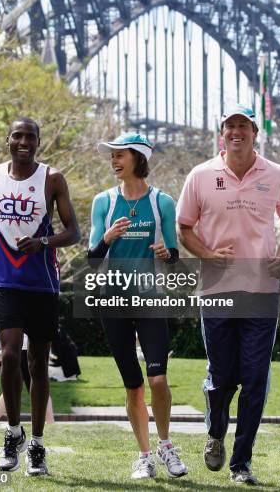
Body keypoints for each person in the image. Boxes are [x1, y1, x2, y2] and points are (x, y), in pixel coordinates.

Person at [177, 104, 280, 485]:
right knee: (222, 376)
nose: (236, 132)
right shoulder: (200, 175)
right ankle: (215, 433)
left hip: (262, 292)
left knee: (256, 377)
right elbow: (184, 228)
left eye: (243, 126)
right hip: (216, 290)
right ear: (221, 133)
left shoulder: (276, 175)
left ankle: (241, 462)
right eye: (230, 125)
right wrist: (209, 254)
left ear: (254, 132)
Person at [0, 117, 80, 476]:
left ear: (38, 142)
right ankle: (13, 431)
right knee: (12, 355)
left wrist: (43, 241)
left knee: (37, 364)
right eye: (18, 135)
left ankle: (37, 444)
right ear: (8, 140)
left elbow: (74, 231)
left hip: (43, 284)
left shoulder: (52, 179)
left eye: (31, 136)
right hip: (4, 282)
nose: (24, 141)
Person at [88, 132, 188, 480]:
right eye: (112, 156)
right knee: (134, 385)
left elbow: (174, 253)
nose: (114, 161)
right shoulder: (104, 201)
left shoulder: (163, 201)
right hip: (112, 300)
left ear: (138, 158)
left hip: (150, 298)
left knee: (158, 378)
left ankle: (166, 445)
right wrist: (107, 237)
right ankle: (144, 455)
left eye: (120, 155)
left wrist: (166, 253)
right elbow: (91, 258)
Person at [0, 334, 54, 424]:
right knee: (20, 387)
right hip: (27, 349)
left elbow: (19, 332)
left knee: (26, 388)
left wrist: (4, 350)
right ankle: (50, 421)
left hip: (25, 350)